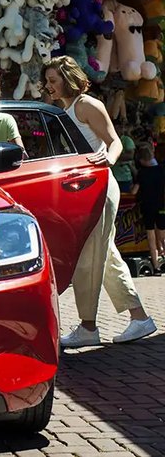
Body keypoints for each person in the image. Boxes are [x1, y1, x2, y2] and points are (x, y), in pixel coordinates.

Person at [43, 56, 157, 346]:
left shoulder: (86, 104)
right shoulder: (65, 109)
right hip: (85, 188)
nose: (48, 86)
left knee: (88, 256)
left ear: (68, 79)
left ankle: (88, 327)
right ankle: (140, 317)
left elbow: (114, 141)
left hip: (98, 187)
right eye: (47, 81)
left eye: (52, 80)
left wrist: (109, 158)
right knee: (104, 256)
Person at [130, 144, 165, 276]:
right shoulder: (161, 170)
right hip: (161, 205)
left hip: (147, 207)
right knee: (163, 236)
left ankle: (156, 267)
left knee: (151, 237)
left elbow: (134, 192)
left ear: (142, 160)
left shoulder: (142, 173)